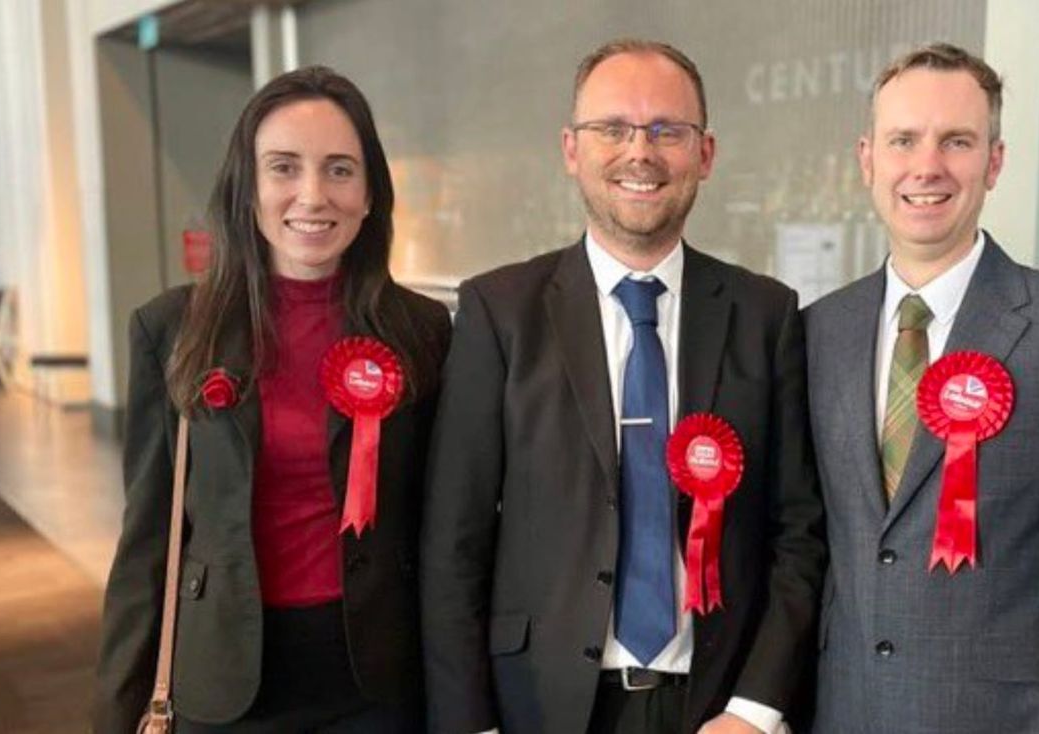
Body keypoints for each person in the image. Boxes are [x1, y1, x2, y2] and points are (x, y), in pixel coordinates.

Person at [421, 39, 826, 734]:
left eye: (668, 130)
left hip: (716, 708)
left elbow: (799, 533)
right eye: (613, 128)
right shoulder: (499, 311)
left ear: (705, 153)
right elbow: (452, 540)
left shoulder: (766, 315)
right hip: (539, 706)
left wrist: (754, 709)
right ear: (571, 149)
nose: (640, 152)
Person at [805, 43, 1039, 733]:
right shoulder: (818, 332)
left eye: (957, 141)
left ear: (994, 162)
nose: (927, 166)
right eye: (904, 140)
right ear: (868, 160)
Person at [93, 66, 450, 733]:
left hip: (379, 679)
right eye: (284, 167)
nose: (313, 195)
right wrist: (117, 709)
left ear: (370, 193)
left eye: (340, 170)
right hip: (224, 681)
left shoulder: (422, 331)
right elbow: (147, 540)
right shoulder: (173, 330)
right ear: (247, 187)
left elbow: (443, 526)